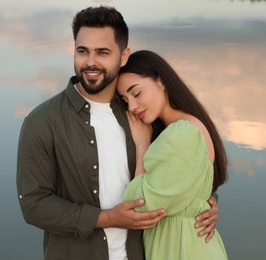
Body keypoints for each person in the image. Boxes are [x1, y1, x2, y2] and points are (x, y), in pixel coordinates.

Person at [16, 6, 219, 260]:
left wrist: (207, 203)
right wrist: (107, 218)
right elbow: (34, 204)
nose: (91, 62)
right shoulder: (42, 122)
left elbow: (179, 170)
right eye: (82, 51)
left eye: (102, 52)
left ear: (123, 56)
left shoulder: (142, 116)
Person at [117, 50, 229, 260]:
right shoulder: (180, 129)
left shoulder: (182, 133)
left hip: (185, 250)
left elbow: (140, 207)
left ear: (161, 81)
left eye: (137, 93)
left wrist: (142, 146)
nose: (132, 106)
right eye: (125, 100)